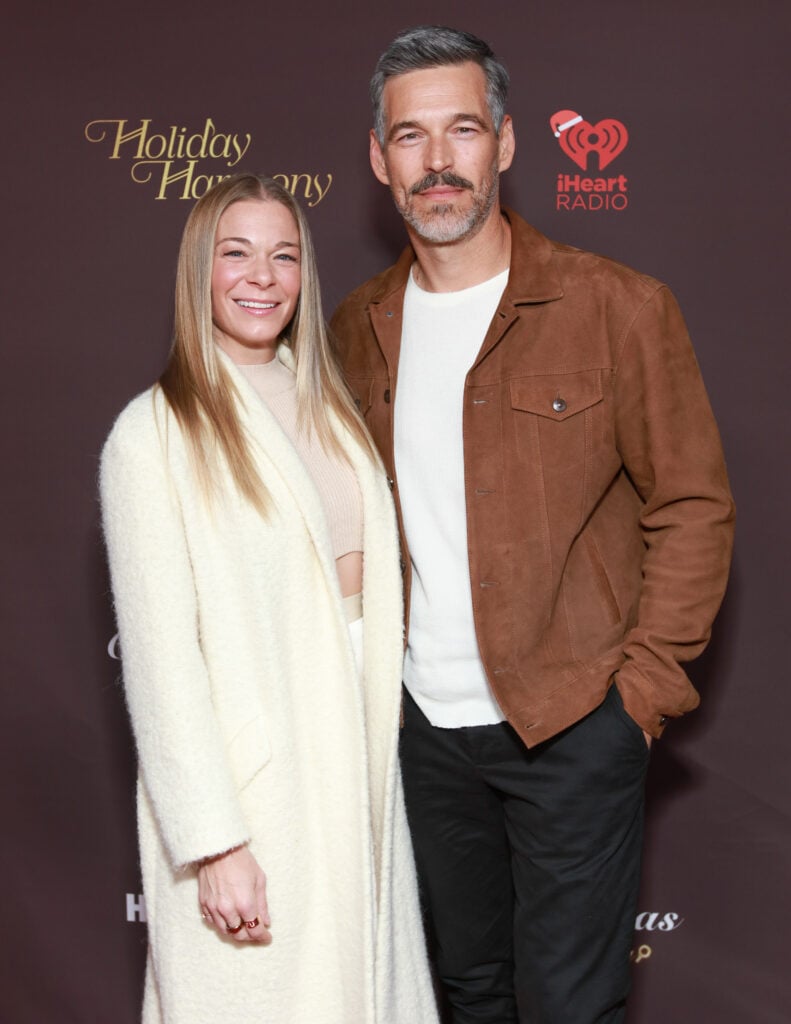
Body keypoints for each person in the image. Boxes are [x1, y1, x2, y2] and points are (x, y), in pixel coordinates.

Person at [330, 25, 735, 1024]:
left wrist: (632, 701)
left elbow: (690, 506)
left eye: (461, 129)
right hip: (419, 734)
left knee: (567, 1006)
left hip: (568, 723)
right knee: (466, 998)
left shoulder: (616, 308)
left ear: (504, 144)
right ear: (380, 159)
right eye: (411, 136)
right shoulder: (351, 330)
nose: (437, 161)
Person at [100, 174, 439, 1024]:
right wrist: (215, 842)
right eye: (236, 253)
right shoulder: (154, 435)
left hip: (356, 766)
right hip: (257, 794)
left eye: (283, 255)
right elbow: (161, 658)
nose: (263, 277)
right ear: (198, 272)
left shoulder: (328, 406)